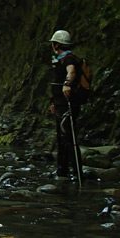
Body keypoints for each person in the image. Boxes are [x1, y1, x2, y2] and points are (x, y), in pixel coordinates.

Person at [48, 29, 83, 179]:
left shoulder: (69, 59)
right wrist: (53, 102)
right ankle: (62, 170)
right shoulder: (59, 59)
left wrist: (67, 84)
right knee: (61, 138)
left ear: (57, 44)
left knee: (69, 137)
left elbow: (72, 72)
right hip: (60, 103)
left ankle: (77, 172)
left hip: (68, 103)